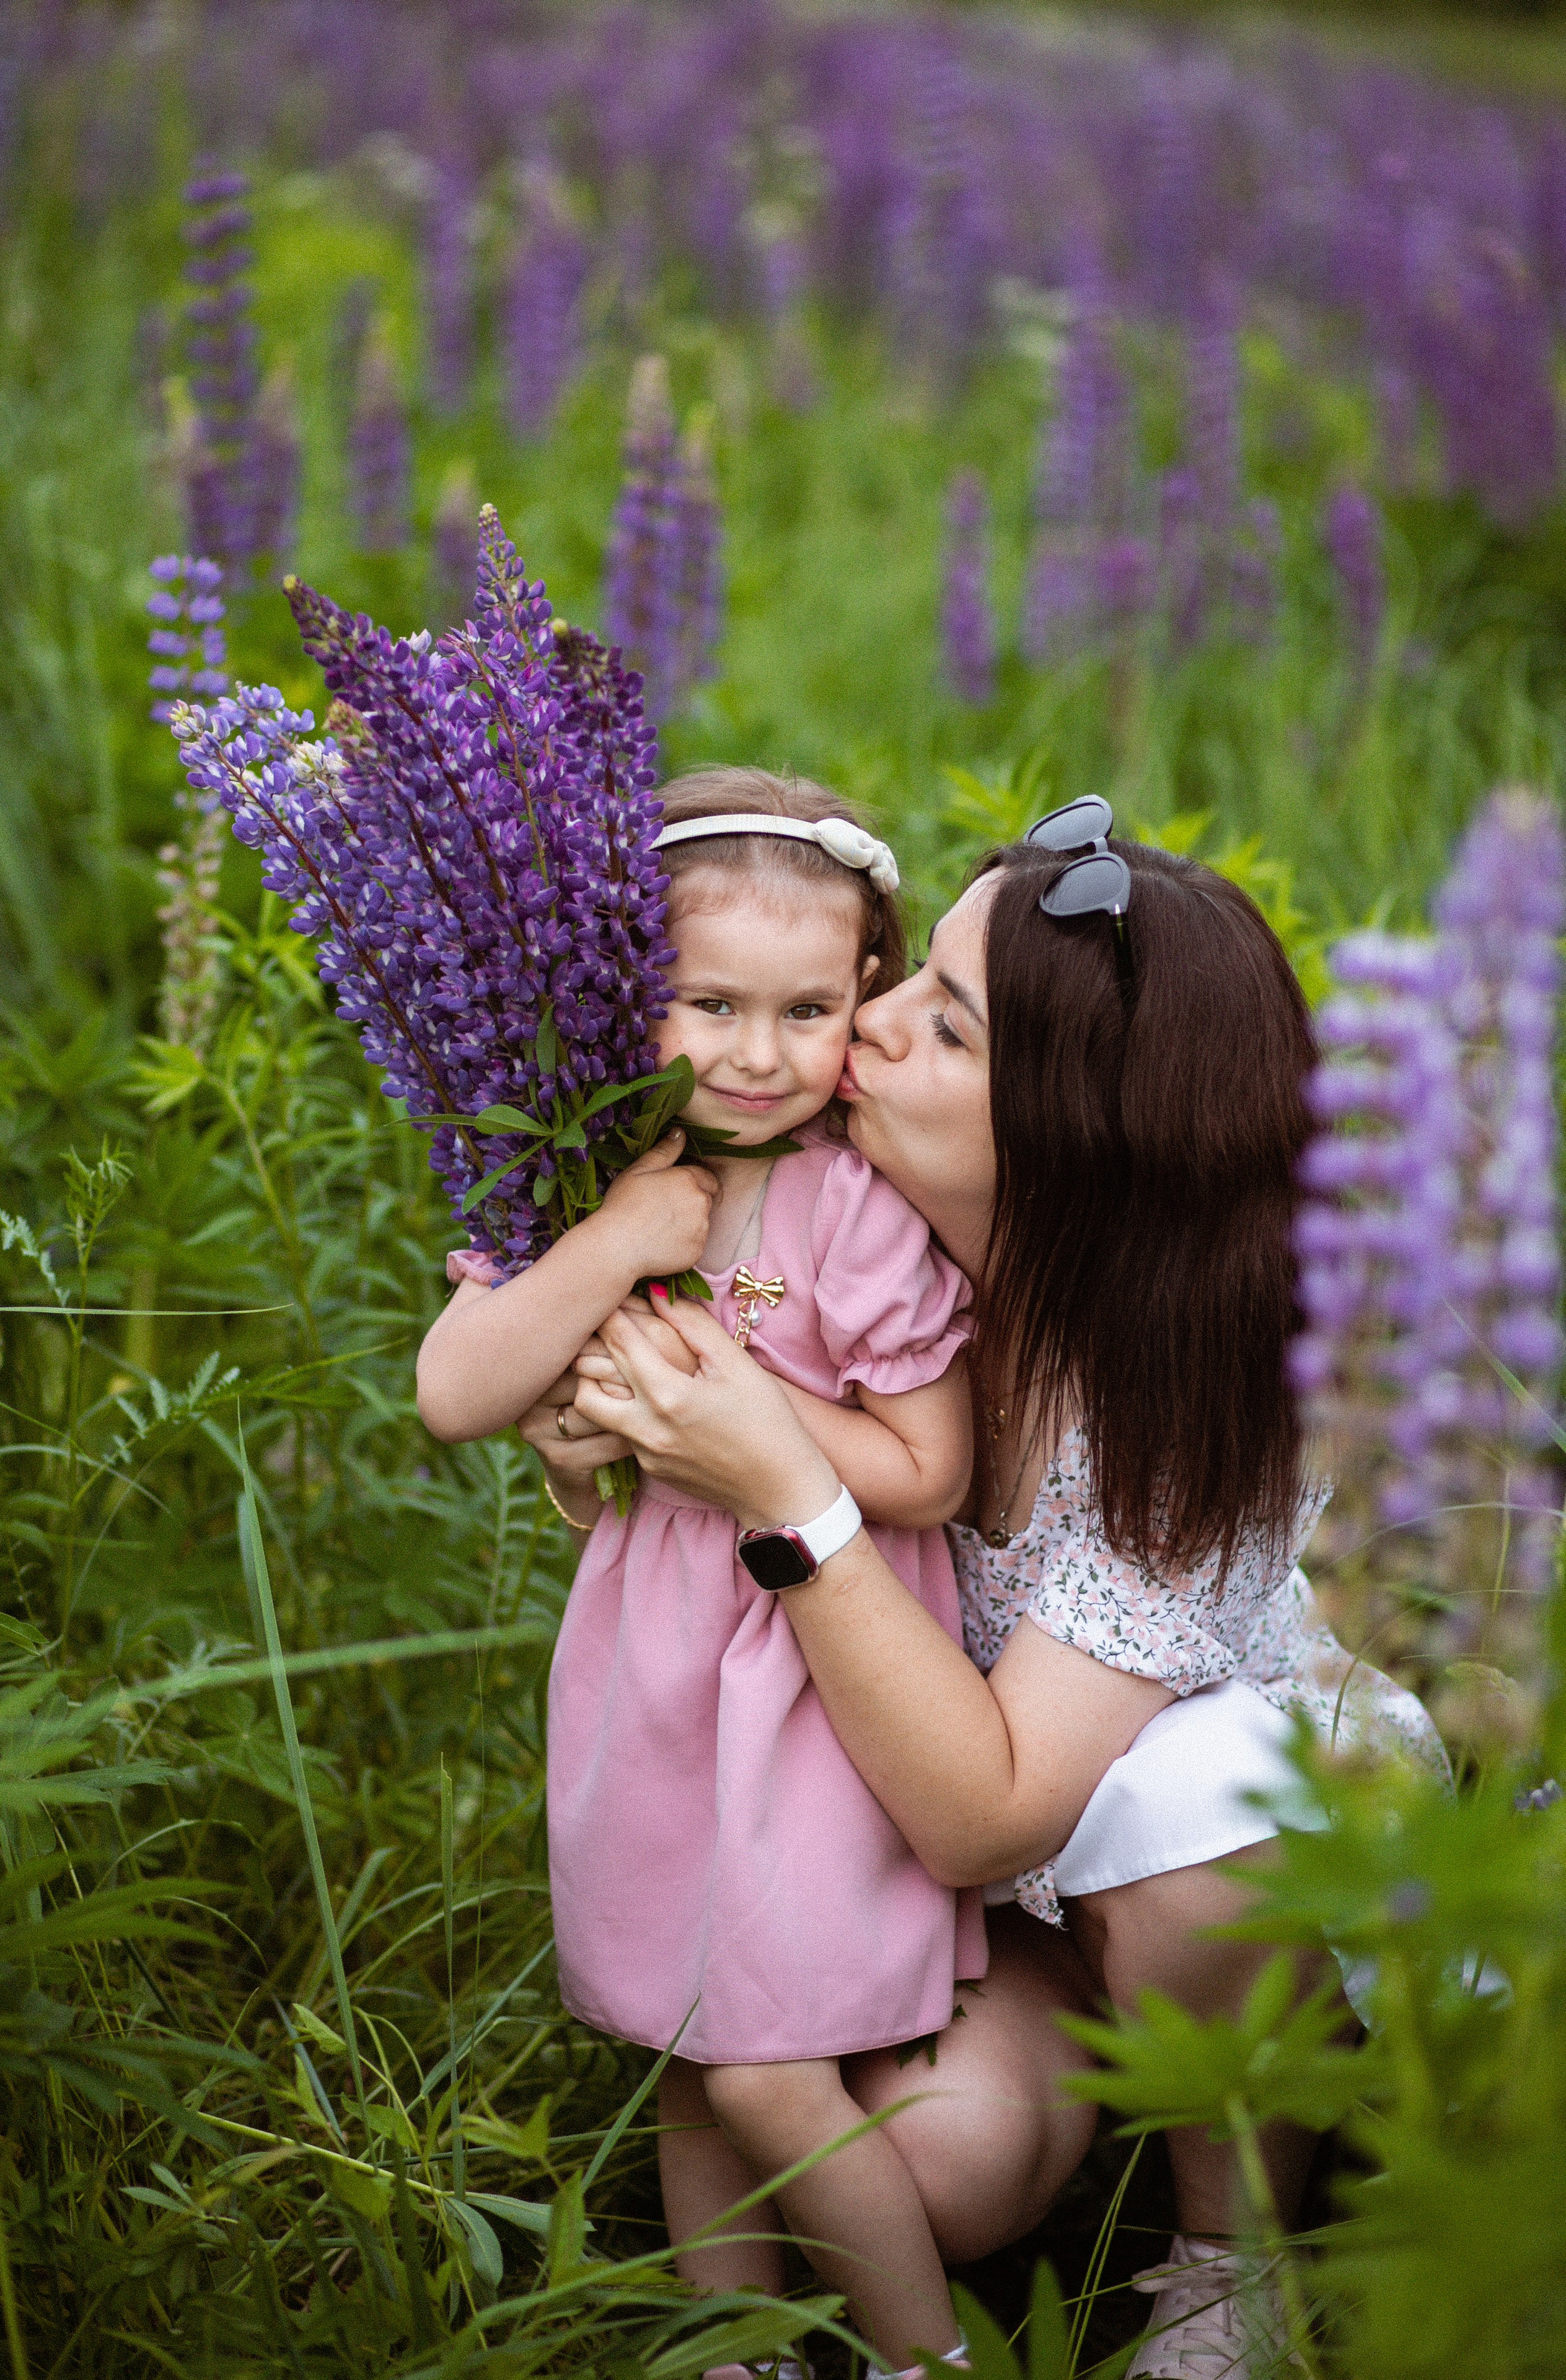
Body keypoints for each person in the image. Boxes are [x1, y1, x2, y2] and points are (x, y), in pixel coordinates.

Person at [530, 808, 1448, 2380]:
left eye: (940, 1022)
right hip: (975, 1875)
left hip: (1144, 1833)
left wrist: (779, 1492)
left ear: (1075, 1126)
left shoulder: (1189, 1404)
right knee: (934, 2180)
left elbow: (992, 1810)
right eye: (908, 980)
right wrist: (602, 1443)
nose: (868, 1019)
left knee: (1203, 1809)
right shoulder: (871, 1239)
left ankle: (1237, 2254)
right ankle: (1075, 2111)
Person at [418, 768, 989, 2379]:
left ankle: (919, 2355)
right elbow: (457, 1396)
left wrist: (730, 1414)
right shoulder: (581, 1174)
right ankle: (731, 2354)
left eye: (806, 1008)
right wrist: (608, 1243)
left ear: (862, 1002)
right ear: (623, 996)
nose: (753, 1051)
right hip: (660, 1682)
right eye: (707, 1002)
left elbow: (929, 1466)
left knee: (766, 2071)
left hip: (821, 1681)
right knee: (694, 2049)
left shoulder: (854, 1213)